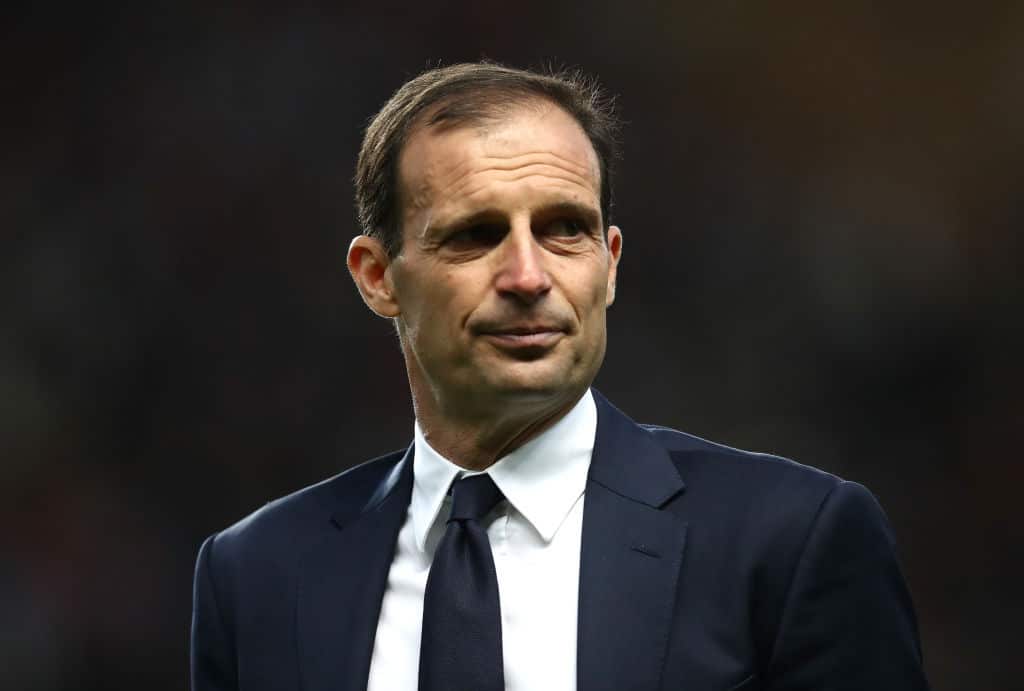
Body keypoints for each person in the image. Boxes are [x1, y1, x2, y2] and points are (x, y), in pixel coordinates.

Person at [190, 62, 930, 691]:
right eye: (476, 234)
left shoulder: (792, 542)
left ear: (609, 263)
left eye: (565, 229)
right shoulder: (257, 573)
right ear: (378, 276)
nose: (527, 274)